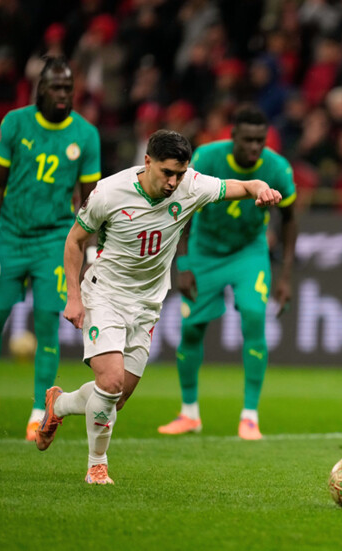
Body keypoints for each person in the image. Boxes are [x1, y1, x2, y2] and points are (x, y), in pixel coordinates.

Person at [34, 130, 281, 484]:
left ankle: (58, 405)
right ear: (147, 161)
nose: (173, 182)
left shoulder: (190, 185)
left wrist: (261, 188)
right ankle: (97, 465)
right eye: (167, 172)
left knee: (115, 397)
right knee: (110, 381)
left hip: (147, 305)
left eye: (180, 173)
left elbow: (241, 185)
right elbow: (75, 240)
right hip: (105, 295)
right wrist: (74, 297)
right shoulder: (109, 192)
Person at [0, 57, 101, 441]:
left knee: (47, 325)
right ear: (40, 88)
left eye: (68, 88)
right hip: (11, 237)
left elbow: (90, 200)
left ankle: (39, 411)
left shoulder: (85, 134)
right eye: (56, 87)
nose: (63, 94)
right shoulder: (15, 123)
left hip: (54, 240)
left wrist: (91, 250)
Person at [157, 106, 297, 440]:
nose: (254, 147)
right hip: (204, 251)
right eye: (247, 140)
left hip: (249, 252)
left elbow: (290, 219)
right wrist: (183, 264)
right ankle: (189, 413)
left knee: (254, 316)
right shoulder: (207, 158)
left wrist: (285, 276)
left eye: (260, 141)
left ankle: (249, 416)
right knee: (191, 329)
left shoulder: (278, 168)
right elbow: (182, 210)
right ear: (233, 136)